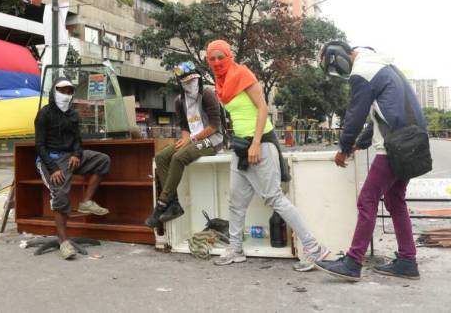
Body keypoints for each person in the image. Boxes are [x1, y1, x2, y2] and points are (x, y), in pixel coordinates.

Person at [206, 40, 329, 270]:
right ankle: (235, 249)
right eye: (211, 58)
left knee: (274, 198)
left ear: (228, 56)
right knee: (235, 201)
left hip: (260, 143)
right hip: (241, 146)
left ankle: (314, 248)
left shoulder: (242, 74)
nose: (216, 62)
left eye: (220, 57)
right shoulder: (220, 83)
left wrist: (256, 143)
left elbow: (262, 108)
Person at [315, 42, 426, 281]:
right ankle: (408, 261)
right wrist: (359, 144)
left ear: (339, 57)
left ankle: (352, 262)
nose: (342, 72)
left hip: (394, 146)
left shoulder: (362, 71)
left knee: (367, 200)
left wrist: (344, 147)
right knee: (396, 200)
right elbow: (378, 117)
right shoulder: (385, 67)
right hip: (412, 142)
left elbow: (356, 113)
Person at [34, 77, 111, 260]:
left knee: (103, 160)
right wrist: (53, 169)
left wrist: (77, 154)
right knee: (60, 194)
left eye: (69, 92)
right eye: (62, 91)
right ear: (54, 92)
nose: (66, 95)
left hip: (70, 158)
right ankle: (63, 242)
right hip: (50, 160)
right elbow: (40, 145)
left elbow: (77, 140)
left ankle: (86, 202)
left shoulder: (73, 114)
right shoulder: (44, 114)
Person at [145, 61, 225, 231]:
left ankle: (161, 206)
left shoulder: (208, 94)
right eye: (186, 82)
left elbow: (215, 126)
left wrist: (192, 139)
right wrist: (186, 139)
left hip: (213, 140)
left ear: (198, 79)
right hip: (193, 139)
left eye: (193, 80)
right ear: (181, 84)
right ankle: (173, 203)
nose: (191, 84)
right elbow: (184, 127)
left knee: (178, 157)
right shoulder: (179, 101)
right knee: (161, 157)